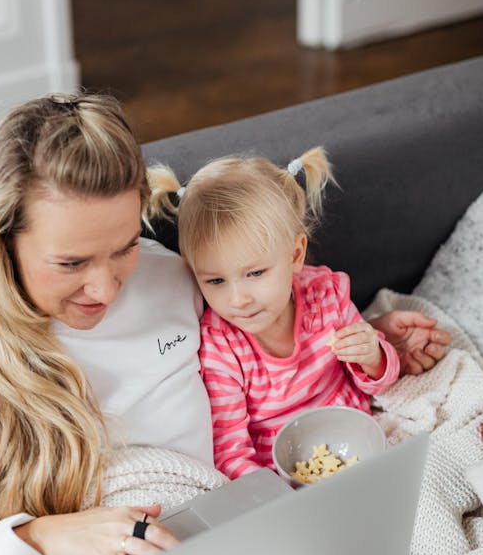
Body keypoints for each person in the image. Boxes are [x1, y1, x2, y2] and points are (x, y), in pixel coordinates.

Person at [0, 95, 448, 555]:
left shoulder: (174, 279)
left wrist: (369, 334)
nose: (104, 287)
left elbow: (269, 322)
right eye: (70, 262)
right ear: (0, 241)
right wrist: (37, 537)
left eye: (124, 245)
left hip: (229, 554)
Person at [148, 148, 402, 481]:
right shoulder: (221, 348)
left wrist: (372, 355)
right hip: (279, 475)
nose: (238, 299)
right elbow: (229, 452)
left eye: (255, 273)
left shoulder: (326, 294)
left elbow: (380, 380)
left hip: (354, 442)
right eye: (215, 280)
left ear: (296, 255)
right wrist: (275, 499)